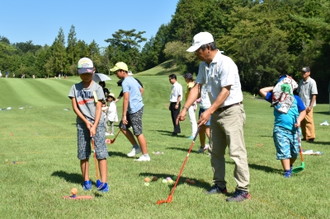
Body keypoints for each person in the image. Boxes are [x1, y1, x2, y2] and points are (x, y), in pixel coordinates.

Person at [177, 32, 250, 202]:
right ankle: (219, 185)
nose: (196, 54)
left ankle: (243, 190)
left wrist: (208, 111)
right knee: (215, 151)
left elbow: (226, 91)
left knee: (237, 152)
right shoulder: (204, 65)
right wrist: (185, 108)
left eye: (198, 50)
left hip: (232, 111)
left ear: (208, 47)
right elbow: (197, 87)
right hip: (216, 112)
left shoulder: (226, 63)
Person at [68, 57, 109, 192]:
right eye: (82, 73)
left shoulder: (97, 88)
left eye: (88, 73)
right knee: (83, 153)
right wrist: (86, 122)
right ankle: (86, 180)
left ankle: (103, 182)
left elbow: (98, 108)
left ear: (93, 71)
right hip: (82, 123)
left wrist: (94, 125)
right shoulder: (75, 88)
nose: (85, 76)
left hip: (98, 123)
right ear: (79, 73)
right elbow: (75, 107)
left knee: (101, 152)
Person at [259, 75, 306, 178]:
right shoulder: (275, 98)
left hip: (294, 130)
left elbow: (303, 111)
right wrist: (275, 87)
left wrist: (298, 120)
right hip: (280, 129)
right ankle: (287, 171)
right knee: (284, 151)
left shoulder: (296, 98)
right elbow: (262, 91)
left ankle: (290, 164)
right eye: (282, 85)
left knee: (294, 152)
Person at [110, 62, 150, 161]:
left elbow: (126, 99)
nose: (116, 74)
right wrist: (137, 98)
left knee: (138, 132)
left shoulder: (125, 82)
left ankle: (145, 155)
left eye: (116, 72)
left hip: (135, 109)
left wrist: (124, 115)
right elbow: (141, 90)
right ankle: (136, 147)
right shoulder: (132, 79)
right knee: (122, 127)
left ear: (123, 71)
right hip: (134, 108)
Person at [297, 67, 318, 143]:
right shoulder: (301, 82)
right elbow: (298, 92)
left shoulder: (312, 82)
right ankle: (305, 136)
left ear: (309, 73)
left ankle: (311, 137)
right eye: (302, 72)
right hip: (301, 105)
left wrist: (311, 106)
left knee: (309, 121)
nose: (303, 74)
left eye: (305, 72)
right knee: (302, 121)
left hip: (308, 104)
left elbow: (314, 95)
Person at [196, 85, 211, 153]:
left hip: (209, 109)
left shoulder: (211, 82)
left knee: (207, 130)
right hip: (202, 108)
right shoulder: (202, 83)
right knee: (201, 129)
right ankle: (203, 146)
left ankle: (213, 149)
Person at [183, 73, 198, 139]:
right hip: (193, 103)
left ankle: (194, 134)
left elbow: (192, 94)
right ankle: (194, 133)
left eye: (185, 78)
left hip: (191, 104)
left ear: (187, 78)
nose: (184, 79)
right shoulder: (193, 83)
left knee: (192, 120)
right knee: (193, 119)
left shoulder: (190, 85)